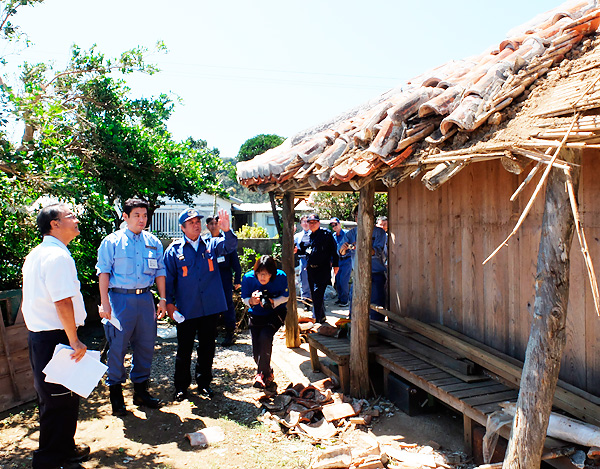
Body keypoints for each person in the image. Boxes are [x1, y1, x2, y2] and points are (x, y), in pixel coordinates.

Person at [22, 203, 91, 469]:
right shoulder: (57, 257)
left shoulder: (39, 253)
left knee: (59, 398)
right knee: (58, 400)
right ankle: (51, 461)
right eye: (70, 216)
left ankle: (64, 448)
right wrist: (73, 339)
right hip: (55, 338)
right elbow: (62, 302)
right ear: (55, 224)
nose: (75, 220)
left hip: (43, 338)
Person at [96, 197, 167, 416]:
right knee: (117, 347)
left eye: (145, 215)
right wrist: (104, 303)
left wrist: (162, 299)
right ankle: (116, 396)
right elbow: (103, 272)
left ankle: (141, 391)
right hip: (119, 300)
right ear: (125, 216)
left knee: (146, 345)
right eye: (136, 215)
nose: (142, 219)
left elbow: (160, 272)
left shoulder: (153, 242)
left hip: (145, 299)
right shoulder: (112, 242)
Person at [164, 208, 238, 401]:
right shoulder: (174, 251)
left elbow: (230, 245)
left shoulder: (212, 245)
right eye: (191, 223)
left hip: (209, 307)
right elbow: (169, 280)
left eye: (198, 221)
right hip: (186, 309)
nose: (196, 225)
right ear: (182, 228)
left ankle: (204, 383)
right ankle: (181, 386)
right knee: (184, 349)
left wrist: (227, 229)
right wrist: (169, 304)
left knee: (207, 347)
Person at [241, 255, 288, 390]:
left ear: (272, 274)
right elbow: (244, 297)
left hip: (275, 313)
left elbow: (286, 297)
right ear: (256, 273)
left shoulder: (281, 277)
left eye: (266, 274)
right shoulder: (248, 278)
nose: (263, 278)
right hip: (256, 314)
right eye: (260, 274)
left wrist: (273, 301)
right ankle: (268, 372)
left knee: (265, 337)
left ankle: (260, 375)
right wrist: (252, 301)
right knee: (257, 349)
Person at [340, 208, 388, 320]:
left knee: (377, 309)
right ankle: (352, 331)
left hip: (375, 274)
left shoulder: (379, 232)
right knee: (355, 306)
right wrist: (343, 249)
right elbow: (341, 252)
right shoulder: (351, 233)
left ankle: (378, 332)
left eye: (362, 215)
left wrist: (363, 245)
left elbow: (378, 252)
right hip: (358, 275)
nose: (359, 218)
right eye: (357, 216)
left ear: (371, 217)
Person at [205, 215, 242, 346]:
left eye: (216, 223)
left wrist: (237, 278)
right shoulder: (204, 242)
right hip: (209, 278)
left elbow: (235, 262)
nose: (214, 226)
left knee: (227, 305)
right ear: (207, 226)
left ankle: (230, 333)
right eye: (211, 224)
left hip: (224, 276)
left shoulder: (226, 241)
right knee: (210, 305)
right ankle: (211, 332)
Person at [298, 213, 339, 323]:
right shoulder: (307, 236)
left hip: (323, 269)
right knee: (314, 295)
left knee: (318, 294)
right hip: (311, 269)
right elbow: (303, 251)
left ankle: (317, 318)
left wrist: (336, 264)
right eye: (310, 222)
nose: (312, 224)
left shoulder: (326, 234)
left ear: (318, 223)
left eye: (314, 222)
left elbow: (333, 250)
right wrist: (296, 251)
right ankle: (321, 317)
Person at [329, 217, 351, 307]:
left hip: (346, 260)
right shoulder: (333, 236)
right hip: (337, 261)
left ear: (339, 224)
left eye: (335, 224)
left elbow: (351, 245)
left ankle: (345, 300)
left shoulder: (346, 234)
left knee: (343, 280)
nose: (334, 226)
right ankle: (340, 298)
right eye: (332, 225)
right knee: (337, 281)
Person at [293, 215, 311, 304]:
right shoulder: (297, 236)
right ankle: (306, 301)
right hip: (303, 260)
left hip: (313, 260)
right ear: (301, 224)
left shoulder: (315, 234)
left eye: (307, 221)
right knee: (304, 281)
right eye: (303, 221)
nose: (306, 223)